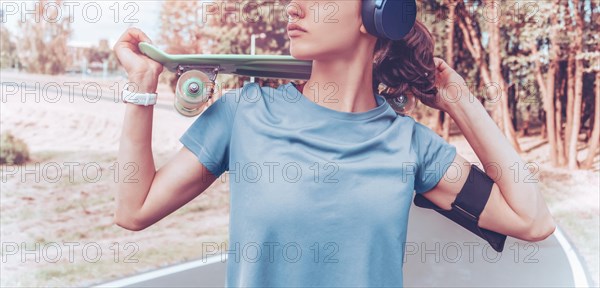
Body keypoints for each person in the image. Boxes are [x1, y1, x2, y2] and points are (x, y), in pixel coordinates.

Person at [112, 2, 556, 287]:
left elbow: (531, 220)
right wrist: (140, 88)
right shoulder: (244, 113)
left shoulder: (409, 145)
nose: (293, 8)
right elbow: (134, 209)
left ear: (378, 13)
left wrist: (458, 99)